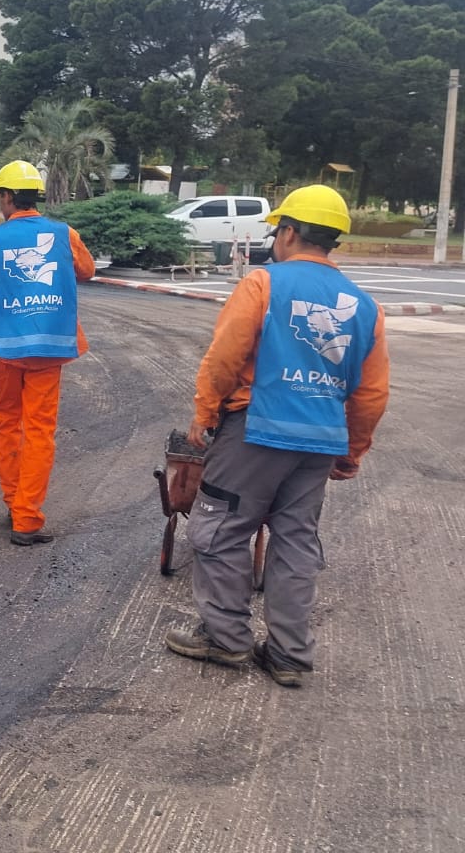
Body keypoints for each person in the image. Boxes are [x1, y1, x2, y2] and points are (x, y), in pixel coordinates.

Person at [166, 185, 389, 687]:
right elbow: (371, 393)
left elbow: (224, 357)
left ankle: (226, 639)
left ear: (287, 232)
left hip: (256, 432)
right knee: (295, 543)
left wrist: (204, 412)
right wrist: (351, 450)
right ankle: (289, 654)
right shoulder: (364, 306)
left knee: (220, 531)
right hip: (319, 441)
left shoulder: (262, 284)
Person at [0, 160, 96, 546]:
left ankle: (13, 502)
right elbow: (86, 270)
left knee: (7, 421)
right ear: (34, 197)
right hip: (50, 347)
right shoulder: (63, 233)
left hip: (5, 348)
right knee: (39, 431)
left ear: (6, 198)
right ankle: (27, 516)